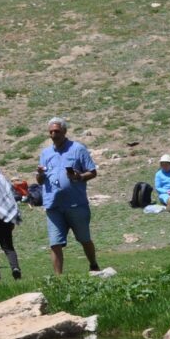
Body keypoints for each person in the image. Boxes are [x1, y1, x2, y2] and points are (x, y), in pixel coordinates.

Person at [36, 117, 102, 275]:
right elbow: (39, 180)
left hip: (76, 204)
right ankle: (59, 279)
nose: (53, 134)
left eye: (57, 131)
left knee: (84, 239)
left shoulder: (78, 149)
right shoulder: (45, 153)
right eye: (51, 132)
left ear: (64, 131)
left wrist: (79, 177)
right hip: (53, 205)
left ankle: (93, 264)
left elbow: (92, 172)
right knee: (55, 243)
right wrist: (39, 174)